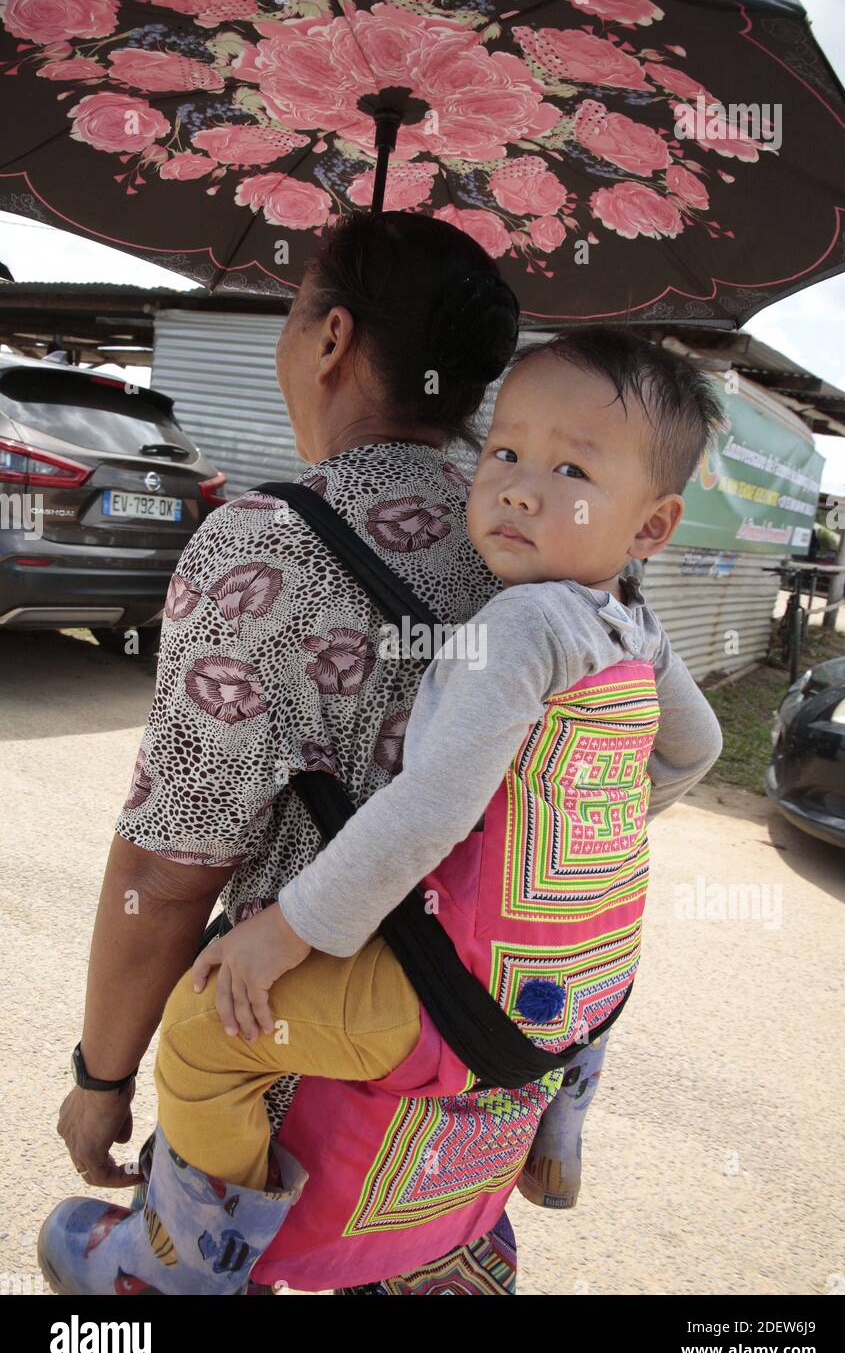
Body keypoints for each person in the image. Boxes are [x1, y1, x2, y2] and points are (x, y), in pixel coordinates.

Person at [40, 327, 724, 1296]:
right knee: (584, 990)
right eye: (504, 452)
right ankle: (553, 1128)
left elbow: (427, 809)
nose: (519, 487)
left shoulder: (520, 623)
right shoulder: (633, 626)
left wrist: (285, 932)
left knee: (203, 1029)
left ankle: (178, 1262)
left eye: (567, 467)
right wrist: (572, 828)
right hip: (581, 982)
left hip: (456, 996)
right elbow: (695, 751)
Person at [44, 209, 527, 1296]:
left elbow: (171, 872)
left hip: (298, 1086)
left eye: (294, 308)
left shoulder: (262, 543)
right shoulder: (550, 549)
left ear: (331, 339)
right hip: (482, 1075)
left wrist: (102, 1074)